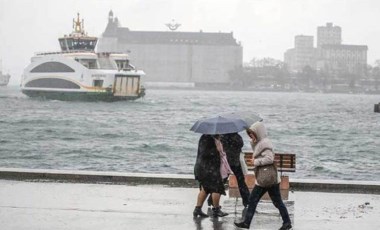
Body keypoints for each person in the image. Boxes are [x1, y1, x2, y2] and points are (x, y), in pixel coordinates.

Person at [234, 122, 292, 230]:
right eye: (249, 134)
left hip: (265, 178)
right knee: (277, 201)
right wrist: (253, 142)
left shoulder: (265, 144)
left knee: (253, 200)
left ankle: (246, 223)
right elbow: (259, 152)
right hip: (270, 179)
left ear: (258, 132)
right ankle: (287, 222)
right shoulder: (261, 142)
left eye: (252, 134)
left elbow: (270, 159)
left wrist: (256, 162)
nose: (251, 136)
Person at [193, 134, 229, 218]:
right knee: (216, 188)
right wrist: (216, 150)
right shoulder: (207, 138)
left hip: (207, 168)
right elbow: (205, 153)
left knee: (206, 189)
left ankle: (197, 209)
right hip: (207, 168)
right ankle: (216, 210)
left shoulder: (211, 138)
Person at [221, 132, 250, 207]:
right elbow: (241, 144)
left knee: (223, 180)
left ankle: (211, 199)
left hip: (227, 162)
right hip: (235, 162)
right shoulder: (237, 137)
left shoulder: (223, 136)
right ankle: (247, 200)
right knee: (241, 181)